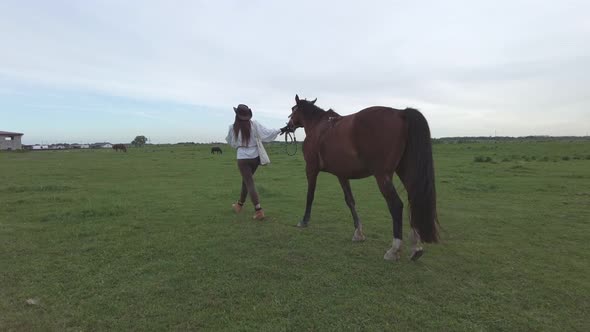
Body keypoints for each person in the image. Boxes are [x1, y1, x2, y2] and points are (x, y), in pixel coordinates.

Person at [225, 104, 288, 220]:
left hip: (242, 158)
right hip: (255, 158)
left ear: (237, 115)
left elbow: (231, 143)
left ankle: (259, 210)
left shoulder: (232, 128)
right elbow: (267, 133)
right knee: (246, 181)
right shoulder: (255, 125)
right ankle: (239, 205)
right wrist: (282, 129)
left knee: (249, 182)